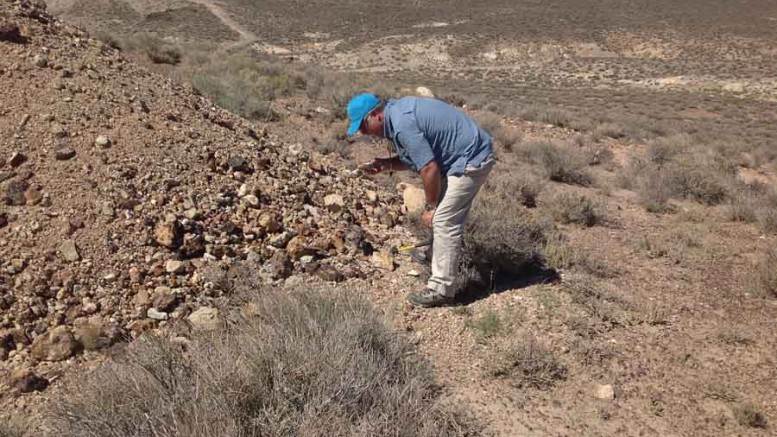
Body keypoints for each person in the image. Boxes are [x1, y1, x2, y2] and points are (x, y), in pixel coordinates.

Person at [346, 93, 495, 308]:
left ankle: (442, 290)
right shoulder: (396, 116)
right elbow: (418, 157)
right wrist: (386, 164)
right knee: (441, 213)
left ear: (376, 115)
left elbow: (428, 167)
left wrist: (432, 207)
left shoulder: (401, 124)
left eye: (363, 126)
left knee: (443, 219)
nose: (363, 132)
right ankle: (434, 254)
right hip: (458, 159)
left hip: (472, 159)